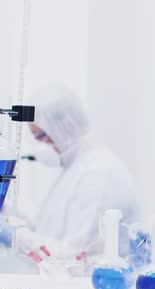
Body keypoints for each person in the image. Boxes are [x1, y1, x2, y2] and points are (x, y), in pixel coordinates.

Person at [23, 85, 138, 262]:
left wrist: (16, 238)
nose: (41, 145)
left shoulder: (98, 173)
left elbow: (73, 255)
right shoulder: (73, 166)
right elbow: (44, 230)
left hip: (95, 284)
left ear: (62, 126)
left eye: (41, 136)